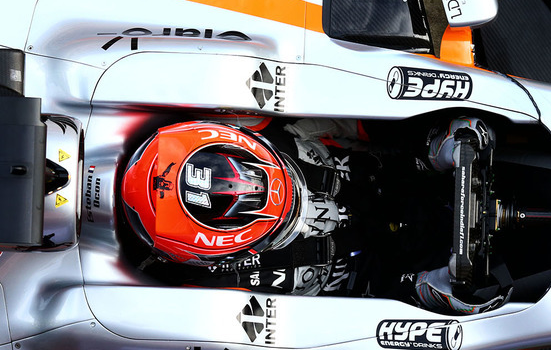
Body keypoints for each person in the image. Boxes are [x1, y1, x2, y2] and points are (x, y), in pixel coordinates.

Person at [121, 116, 508, 314]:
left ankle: (437, 151)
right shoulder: (216, 290)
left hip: (398, 177)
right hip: (382, 280)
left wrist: (427, 139)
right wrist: (417, 296)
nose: (309, 210)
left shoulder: (261, 125)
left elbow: (363, 118)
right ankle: (426, 287)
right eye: (283, 221)